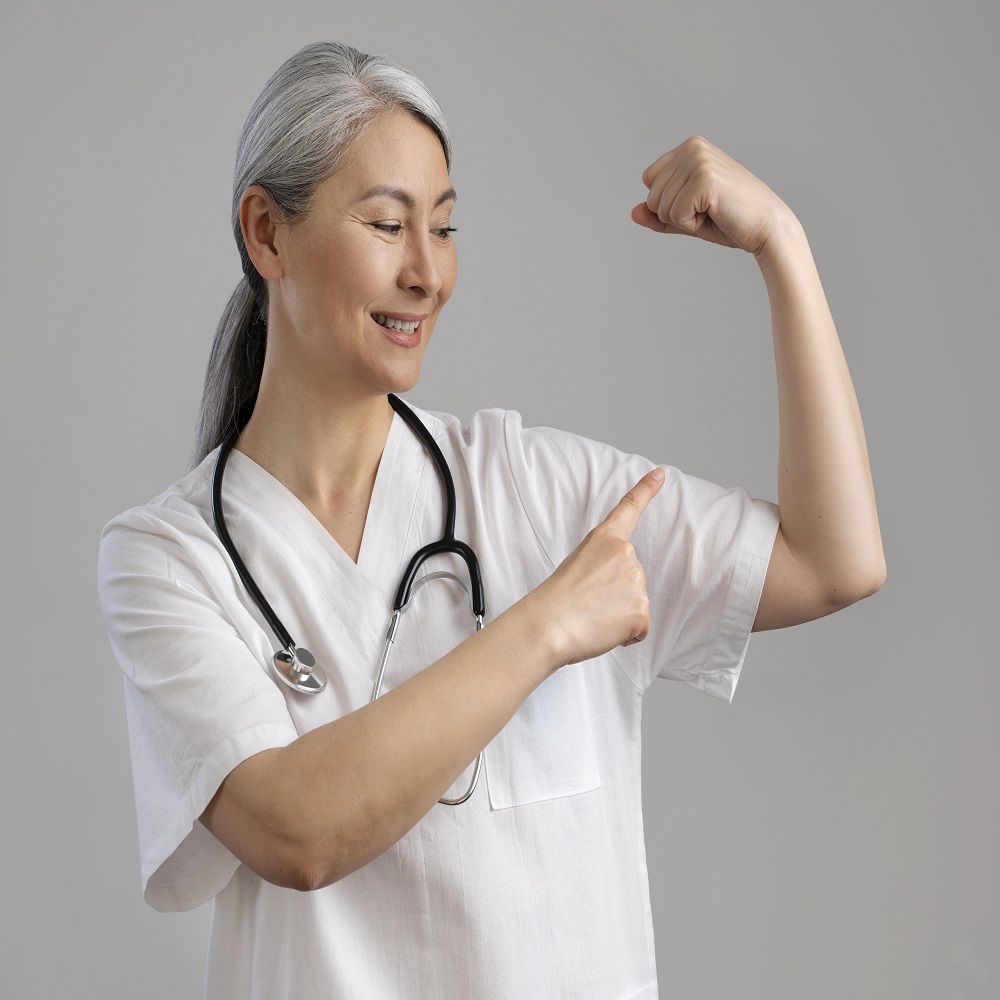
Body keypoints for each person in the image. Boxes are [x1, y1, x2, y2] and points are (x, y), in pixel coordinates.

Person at [96, 40, 886, 1000]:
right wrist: (546, 628)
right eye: (388, 224)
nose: (428, 272)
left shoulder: (538, 489)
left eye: (446, 225)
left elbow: (832, 560)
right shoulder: (171, 560)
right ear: (267, 233)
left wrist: (783, 248)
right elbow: (294, 833)